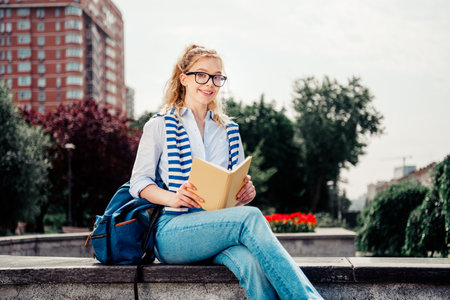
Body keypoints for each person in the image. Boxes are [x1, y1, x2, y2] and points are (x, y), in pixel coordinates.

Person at [130, 44, 323, 300]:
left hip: (220, 228)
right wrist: (172, 197)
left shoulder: (228, 130)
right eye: (201, 74)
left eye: (217, 77)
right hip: (174, 231)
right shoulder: (158, 125)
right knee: (250, 218)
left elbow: (234, 187)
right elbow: (139, 182)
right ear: (183, 78)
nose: (209, 83)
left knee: (252, 264)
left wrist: (245, 192)